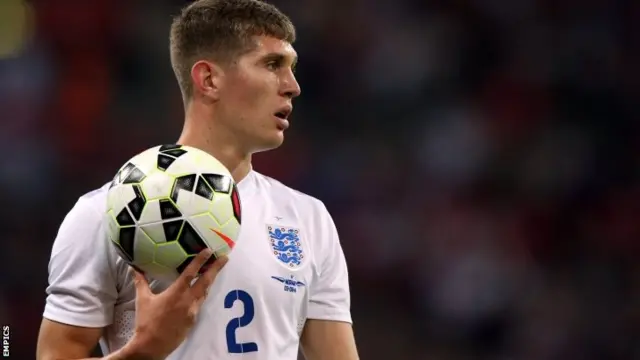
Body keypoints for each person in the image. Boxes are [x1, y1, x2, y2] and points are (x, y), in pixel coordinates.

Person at [35, 0, 359, 359]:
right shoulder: (107, 213)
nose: (293, 86)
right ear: (209, 79)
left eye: (291, 68)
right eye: (272, 65)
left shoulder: (308, 219)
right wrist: (143, 351)